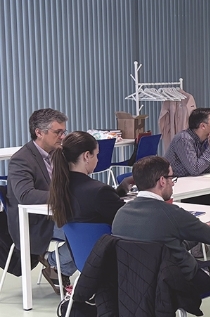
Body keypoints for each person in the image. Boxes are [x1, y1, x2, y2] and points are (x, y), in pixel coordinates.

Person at [111, 156, 210, 296]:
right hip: (179, 281)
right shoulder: (172, 213)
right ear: (162, 181)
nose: (173, 184)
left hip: (139, 283)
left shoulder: (120, 214)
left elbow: (164, 248)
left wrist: (197, 232)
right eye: (171, 178)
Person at [7, 108, 76, 293]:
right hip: (36, 223)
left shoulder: (58, 153)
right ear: (39, 132)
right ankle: (53, 262)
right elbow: (26, 195)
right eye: (58, 132)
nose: (62, 137)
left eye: (64, 131)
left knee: (99, 228)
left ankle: (57, 267)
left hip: (56, 214)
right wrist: (63, 197)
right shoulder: (21, 160)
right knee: (91, 232)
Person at [48, 132, 125, 230]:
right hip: (106, 244)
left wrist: (120, 191)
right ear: (87, 156)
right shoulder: (100, 191)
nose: (97, 160)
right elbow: (127, 219)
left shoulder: (59, 189)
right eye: (97, 155)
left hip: (78, 245)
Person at [165, 107, 210, 177]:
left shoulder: (209, 138)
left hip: (198, 181)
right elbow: (195, 170)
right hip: (177, 183)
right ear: (203, 126)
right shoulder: (183, 139)